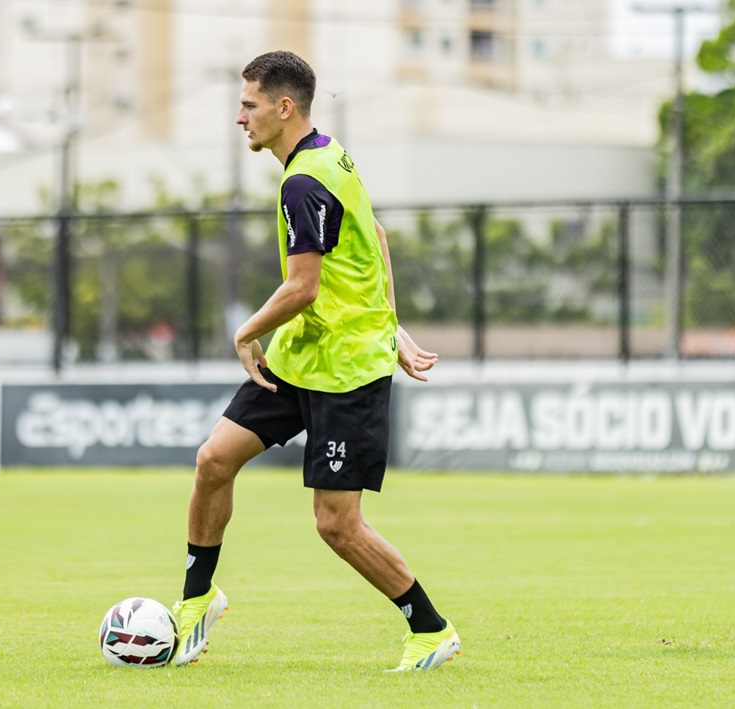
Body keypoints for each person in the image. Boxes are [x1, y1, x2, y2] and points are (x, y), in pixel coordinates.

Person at [171, 50, 460, 672]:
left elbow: (302, 286)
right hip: (303, 356)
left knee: (337, 525)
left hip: (346, 371)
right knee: (214, 460)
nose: (239, 117)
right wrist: (394, 321)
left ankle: (430, 629)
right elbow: (371, 236)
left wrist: (244, 334)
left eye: (248, 105)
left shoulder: (305, 180)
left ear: (283, 107)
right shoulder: (329, 155)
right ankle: (197, 602)